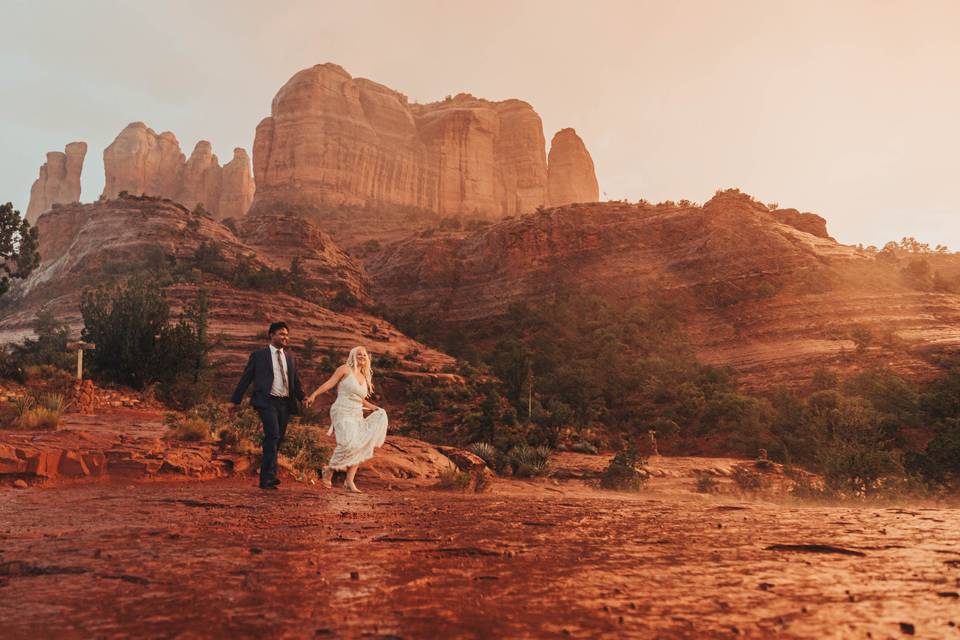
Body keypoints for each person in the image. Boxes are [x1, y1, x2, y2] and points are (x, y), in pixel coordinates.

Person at [230, 322, 305, 490]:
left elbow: (295, 382)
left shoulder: (290, 358)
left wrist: (303, 397)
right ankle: (267, 478)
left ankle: (269, 474)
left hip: (285, 403)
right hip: (266, 401)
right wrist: (235, 400)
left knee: (277, 439)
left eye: (286, 334)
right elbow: (246, 378)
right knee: (273, 435)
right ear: (271, 335)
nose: (285, 337)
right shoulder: (259, 355)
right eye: (281, 334)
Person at [307, 346, 388, 493]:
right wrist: (314, 394)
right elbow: (329, 383)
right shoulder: (344, 369)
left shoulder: (364, 377)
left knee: (358, 445)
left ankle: (349, 481)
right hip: (342, 410)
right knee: (348, 443)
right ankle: (329, 469)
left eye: (364, 355)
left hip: (357, 413)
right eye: (359, 354)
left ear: (367, 359)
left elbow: (361, 400)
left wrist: (375, 408)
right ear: (352, 355)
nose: (362, 357)